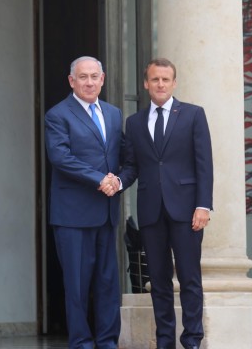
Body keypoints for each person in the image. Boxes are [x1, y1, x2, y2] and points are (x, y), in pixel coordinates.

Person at [119, 58, 213, 349]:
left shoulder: (193, 115)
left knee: (189, 278)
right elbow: (132, 165)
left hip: (187, 211)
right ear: (146, 83)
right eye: (155, 79)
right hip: (151, 211)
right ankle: (164, 341)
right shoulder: (134, 122)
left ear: (174, 83)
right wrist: (118, 182)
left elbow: (204, 164)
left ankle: (193, 339)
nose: (160, 84)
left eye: (165, 80)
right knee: (158, 281)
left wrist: (203, 205)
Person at [44, 56, 124, 349]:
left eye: (94, 77)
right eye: (83, 77)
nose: (89, 82)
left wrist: (120, 180)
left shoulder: (114, 114)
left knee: (107, 284)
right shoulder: (58, 114)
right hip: (72, 216)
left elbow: (123, 156)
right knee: (76, 286)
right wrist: (100, 179)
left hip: (106, 213)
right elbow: (61, 157)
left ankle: (107, 342)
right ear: (71, 81)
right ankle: (81, 342)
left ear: (102, 79)